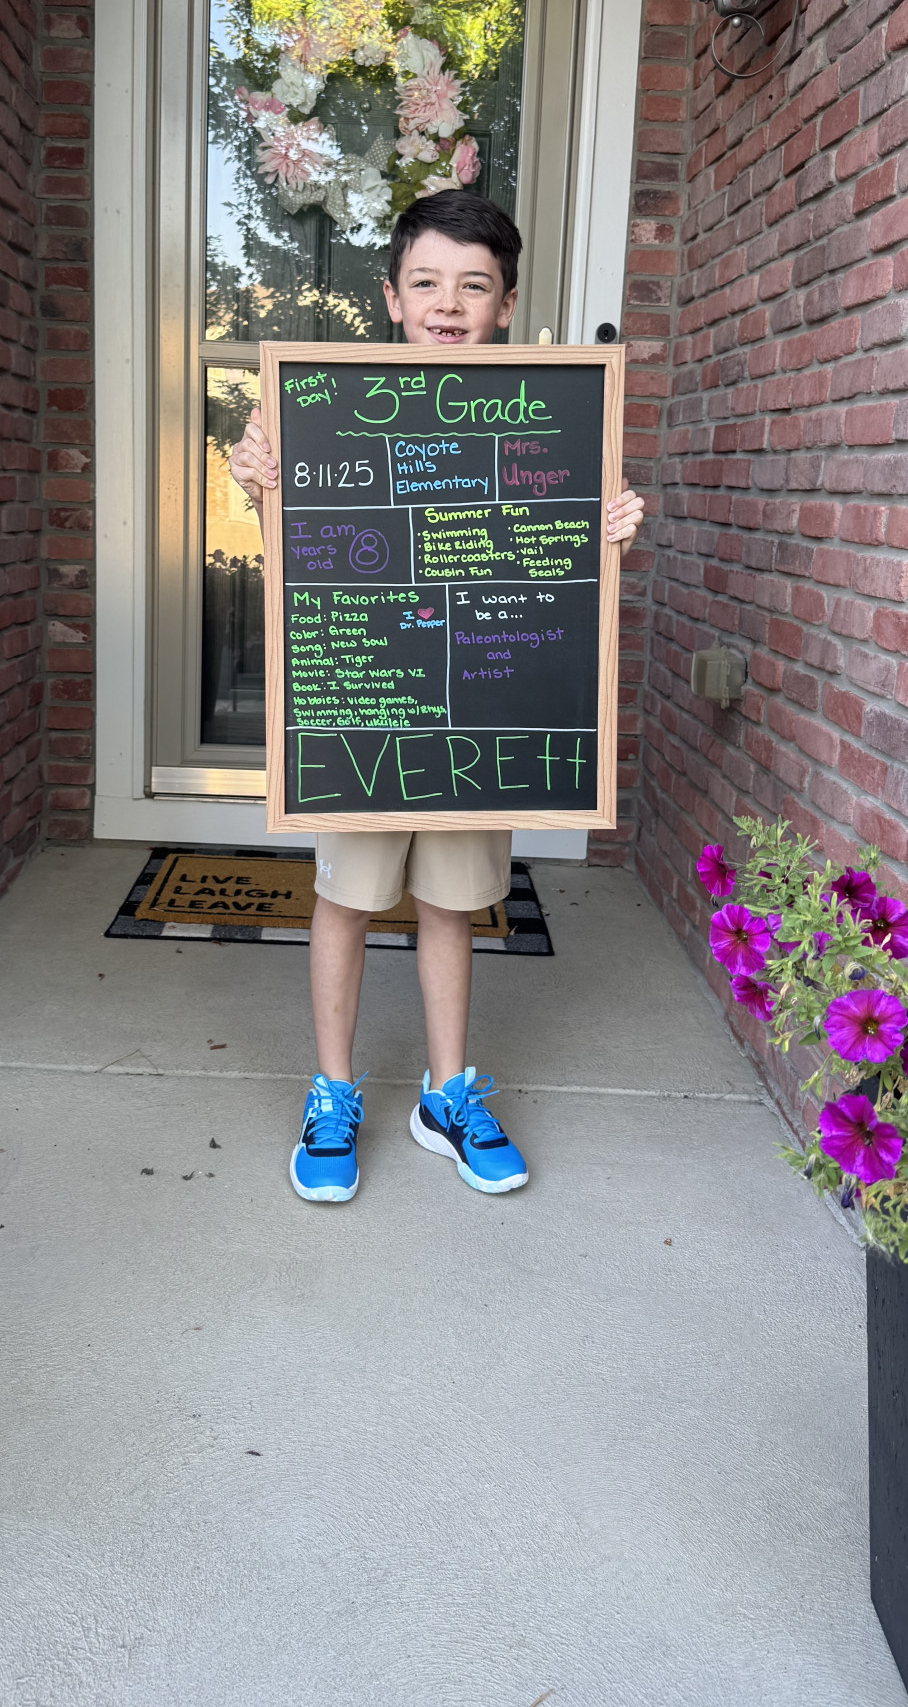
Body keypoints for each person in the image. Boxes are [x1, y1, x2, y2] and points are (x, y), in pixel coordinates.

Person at [230, 190, 644, 1204]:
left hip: (483, 702)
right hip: (362, 699)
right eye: (426, 282)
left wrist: (606, 532)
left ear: (506, 303)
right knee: (346, 898)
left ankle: (447, 1094)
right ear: (391, 296)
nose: (447, 304)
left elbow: (561, 553)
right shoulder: (320, 404)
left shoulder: (552, 412)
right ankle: (333, 1092)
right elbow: (289, 527)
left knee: (455, 904)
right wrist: (256, 474)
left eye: (473, 285)